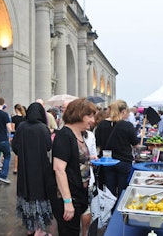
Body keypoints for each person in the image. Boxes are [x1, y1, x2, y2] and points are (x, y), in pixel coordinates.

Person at [51, 98, 96, 236]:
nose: (93, 120)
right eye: (90, 115)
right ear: (79, 114)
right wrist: (67, 201)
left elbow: (74, 159)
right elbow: (59, 169)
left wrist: (89, 159)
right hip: (69, 197)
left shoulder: (79, 134)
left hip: (79, 195)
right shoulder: (64, 135)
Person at [12, 102, 54, 236]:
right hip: (41, 169)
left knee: (27, 196)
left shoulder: (22, 127)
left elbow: (15, 147)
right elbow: (48, 146)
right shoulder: (43, 128)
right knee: (40, 196)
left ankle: (30, 227)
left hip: (25, 168)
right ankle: (39, 230)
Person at [103, 100, 139, 198]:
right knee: (123, 192)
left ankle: (110, 211)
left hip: (107, 161)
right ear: (123, 112)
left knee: (109, 194)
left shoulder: (101, 125)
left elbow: (97, 143)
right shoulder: (127, 125)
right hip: (123, 160)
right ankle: (119, 212)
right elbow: (136, 144)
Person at [11, 103, 26, 174]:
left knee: (17, 154)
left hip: (16, 136)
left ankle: (15, 168)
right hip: (24, 136)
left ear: (16, 109)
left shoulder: (14, 118)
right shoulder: (25, 118)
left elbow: (12, 129)